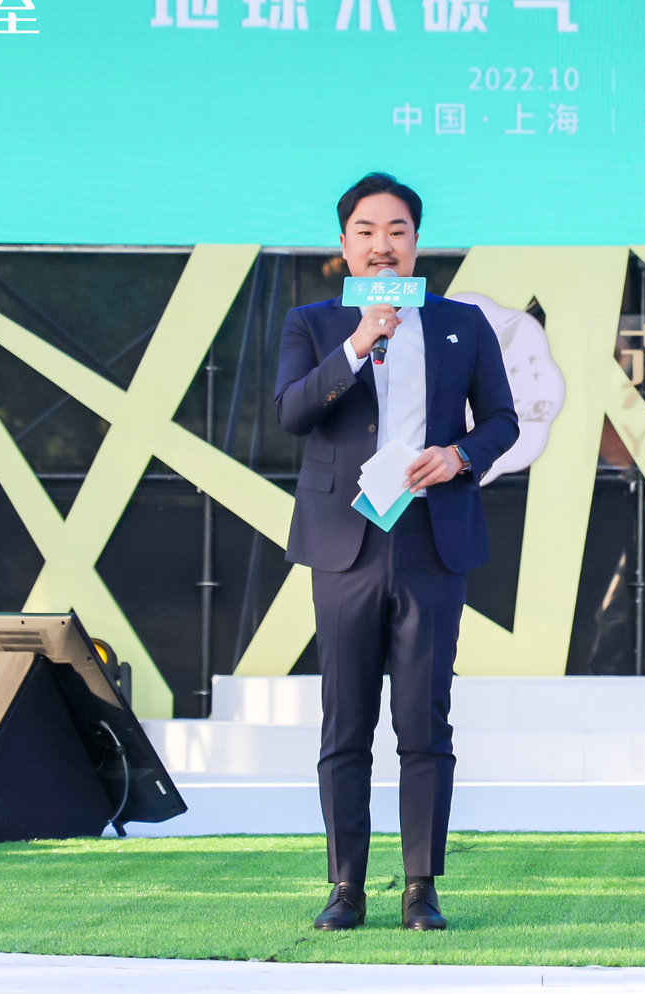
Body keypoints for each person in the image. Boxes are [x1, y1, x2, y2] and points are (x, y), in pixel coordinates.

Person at [273, 172, 518, 931]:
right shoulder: (312, 323)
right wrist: (358, 342)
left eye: (398, 231)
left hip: (430, 539)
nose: (383, 245)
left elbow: (502, 421)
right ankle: (345, 886)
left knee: (424, 720)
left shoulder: (461, 324)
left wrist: (459, 455)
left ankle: (421, 887)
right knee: (345, 721)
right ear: (344, 244)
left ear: (417, 241)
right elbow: (291, 413)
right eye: (367, 231)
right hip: (345, 542)